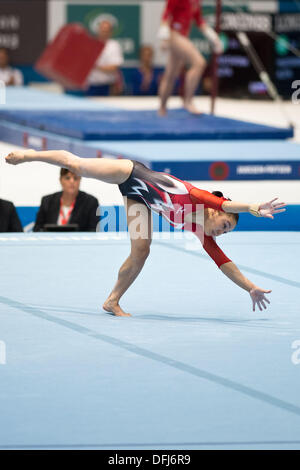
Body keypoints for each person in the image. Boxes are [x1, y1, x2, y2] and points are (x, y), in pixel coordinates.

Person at [5, 149, 286, 316]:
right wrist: (252, 207)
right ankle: (29, 156)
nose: (222, 233)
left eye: (227, 232)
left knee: (141, 249)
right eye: (225, 225)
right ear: (216, 213)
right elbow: (224, 202)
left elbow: (223, 262)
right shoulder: (198, 196)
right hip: (130, 174)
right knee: (78, 166)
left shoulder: (199, 230)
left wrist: (250, 286)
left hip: (139, 199)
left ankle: (112, 300)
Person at [157, 0, 223, 115]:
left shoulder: (197, 1)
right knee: (199, 62)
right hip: (174, 34)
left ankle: (162, 107)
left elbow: (199, 20)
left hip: (183, 36)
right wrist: (164, 36)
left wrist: (213, 37)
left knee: (171, 74)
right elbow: (166, 14)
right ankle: (188, 101)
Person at [33, 168, 99, 232]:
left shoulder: (91, 202)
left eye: (75, 178)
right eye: (67, 178)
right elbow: (37, 229)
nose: (72, 181)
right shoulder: (47, 201)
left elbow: (93, 231)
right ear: (60, 180)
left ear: (80, 180)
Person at [86, 19, 124, 96]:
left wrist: (95, 66)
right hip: (91, 86)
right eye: (102, 29)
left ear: (110, 32)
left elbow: (114, 67)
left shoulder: (114, 45)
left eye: (106, 30)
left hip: (108, 86)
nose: (103, 32)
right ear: (98, 30)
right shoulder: (90, 44)